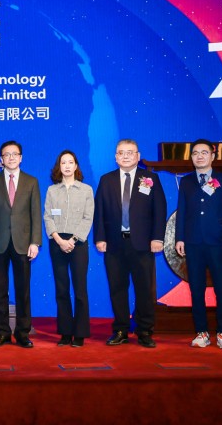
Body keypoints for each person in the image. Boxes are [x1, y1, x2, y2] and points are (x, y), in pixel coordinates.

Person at [94, 139, 167, 348]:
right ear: (115, 157)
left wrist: (157, 237)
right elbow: (100, 211)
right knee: (117, 288)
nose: (125, 156)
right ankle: (120, 330)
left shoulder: (150, 179)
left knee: (144, 289)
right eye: (121, 152)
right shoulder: (106, 180)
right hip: (114, 244)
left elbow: (159, 210)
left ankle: (145, 331)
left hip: (143, 244)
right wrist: (100, 238)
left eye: (130, 152)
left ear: (138, 156)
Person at [175, 139, 222, 349]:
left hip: (217, 242)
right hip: (193, 243)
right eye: (195, 153)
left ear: (212, 156)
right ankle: (201, 333)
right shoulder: (186, 182)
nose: (199, 156)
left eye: (204, 152)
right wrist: (179, 238)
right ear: (191, 157)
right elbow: (182, 211)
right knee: (196, 289)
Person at [0, 140, 42, 348]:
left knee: (23, 290)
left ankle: (23, 333)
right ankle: (2, 333)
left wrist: (35, 242)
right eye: (6, 155)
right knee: (0, 290)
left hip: (23, 243)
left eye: (14, 154)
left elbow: (35, 214)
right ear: (1, 159)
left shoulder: (31, 182)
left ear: (21, 157)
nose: (11, 158)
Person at [43, 150, 94, 347]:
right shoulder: (52, 190)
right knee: (61, 289)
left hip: (78, 243)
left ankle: (80, 333)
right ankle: (65, 332)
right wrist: (58, 239)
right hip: (57, 242)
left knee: (80, 289)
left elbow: (88, 218)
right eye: (63, 162)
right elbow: (48, 216)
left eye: (70, 162)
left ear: (76, 166)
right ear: (59, 166)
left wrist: (72, 240)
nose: (66, 166)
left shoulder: (86, 190)